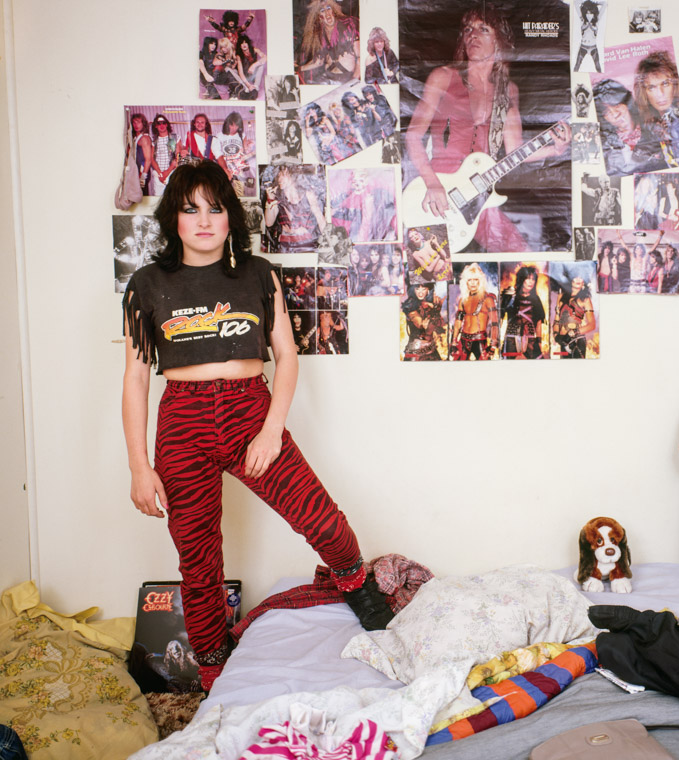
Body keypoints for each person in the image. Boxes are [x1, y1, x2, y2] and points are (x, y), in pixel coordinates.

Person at [121, 161, 393, 691]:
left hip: (250, 409)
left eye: (216, 208)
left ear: (230, 218)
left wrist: (271, 430)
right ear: (173, 218)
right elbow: (134, 378)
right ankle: (215, 673)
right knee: (199, 562)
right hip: (182, 420)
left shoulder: (258, 273)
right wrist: (139, 466)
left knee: (323, 520)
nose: (204, 220)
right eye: (190, 208)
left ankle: (364, 596)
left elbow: (286, 357)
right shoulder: (147, 285)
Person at [404, 2, 570, 253]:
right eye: (468, 29)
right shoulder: (443, 76)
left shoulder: (508, 90)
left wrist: (555, 151)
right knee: (429, 273)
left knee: (519, 255)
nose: (472, 34)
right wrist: (432, 183)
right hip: (438, 189)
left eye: (484, 29)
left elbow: (515, 151)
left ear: (499, 41)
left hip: (479, 192)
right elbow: (413, 136)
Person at [591, 79, 666, 175]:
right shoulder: (604, 145)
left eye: (616, 105)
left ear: (626, 102)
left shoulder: (657, 129)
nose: (615, 114)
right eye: (606, 112)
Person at [633, 50, 679, 166]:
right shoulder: (650, 125)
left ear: (675, 85)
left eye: (665, 84)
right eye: (652, 87)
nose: (660, 93)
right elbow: (637, 159)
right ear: (644, 93)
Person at [297, 0, 360, 85]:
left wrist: (354, 81)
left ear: (334, 10)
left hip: (347, 78)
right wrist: (298, 68)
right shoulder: (320, 35)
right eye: (322, 11)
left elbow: (360, 58)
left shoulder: (348, 26)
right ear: (319, 17)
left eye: (329, 8)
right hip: (327, 77)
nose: (327, 14)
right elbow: (318, 62)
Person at [264, 165, 325, 253]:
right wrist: (270, 199)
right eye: (278, 175)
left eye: (284, 175)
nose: (280, 179)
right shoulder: (278, 196)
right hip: (285, 248)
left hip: (307, 247)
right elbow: (269, 223)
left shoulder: (307, 195)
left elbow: (320, 219)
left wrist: (328, 240)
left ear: (293, 176)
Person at [450, 263, 498, 360]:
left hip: (480, 340)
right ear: (465, 282)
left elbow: (494, 323)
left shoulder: (488, 299)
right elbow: (458, 322)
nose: (472, 283)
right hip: (463, 340)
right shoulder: (463, 300)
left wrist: (493, 345)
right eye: (470, 280)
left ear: (480, 281)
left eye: (475, 280)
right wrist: (454, 341)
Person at [500, 265, 546, 359]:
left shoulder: (536, 299)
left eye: (533, 279)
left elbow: (538, 322)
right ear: (522, 279)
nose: (531, 282)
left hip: (530, 339)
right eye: (528, 278)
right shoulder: (510, 296)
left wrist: (539, 341)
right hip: (511, 338)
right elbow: (499, 317)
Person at [552, 275, 595, 358]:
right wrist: (556, 335)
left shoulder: (585, 300)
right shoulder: (561, 296)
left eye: (581, 276)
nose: (579, 279)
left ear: (584, 281)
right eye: (576, 276)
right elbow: (557, 319)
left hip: (577, 341)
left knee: (578, 369)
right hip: (562, 341)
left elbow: (592, 325)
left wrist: (573, 333)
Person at [402, 282, 444, 360]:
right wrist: (435, 311)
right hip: (415, 351)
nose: (420, 293)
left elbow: (437, 326)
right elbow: (422, 326)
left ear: (428, 289)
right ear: (412, 289)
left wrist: (436, 309)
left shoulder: (430, 303)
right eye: (417, 289)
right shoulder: (410, 305)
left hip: (431, 349)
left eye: (423, 289)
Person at [217, 112, 254, 197]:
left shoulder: (242, 135)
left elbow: (244, 151)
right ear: (227, 124)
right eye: (232, 125)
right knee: (223, 194)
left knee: (239, 193)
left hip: (238, 169)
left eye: (237, 126)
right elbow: (217, 153)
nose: (234, 128)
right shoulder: (220, 136)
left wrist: (248, 146)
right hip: (225, 168)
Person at [148, 114, 177, 196]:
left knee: (172, 198)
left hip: (171, 173)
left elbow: (177, 157)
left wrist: (166, 173)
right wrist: (160, 174)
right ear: (155, 126)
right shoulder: (154, 141)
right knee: (158, 199)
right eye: (158, 123)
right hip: (158, 175)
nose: (161, 125)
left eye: (163, 123)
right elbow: (151, 159)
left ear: (167, 124)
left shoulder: (173, 138)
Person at [129, 113, 154, 196]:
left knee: (142, 197)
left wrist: (143, 176)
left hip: (142, 171)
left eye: (138, 122)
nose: (136, 125)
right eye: (134, 122)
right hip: (136, 171)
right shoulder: (136, 138)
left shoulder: (144, 138)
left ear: (143, 124)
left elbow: (148, 159)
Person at [574, 0, 602, 72]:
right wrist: (585, 3)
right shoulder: (582, 20)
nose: (589, 15)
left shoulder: (596, 21)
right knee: (577, 66)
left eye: (591, 13)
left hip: (593, 47)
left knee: (598, 67)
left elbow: (605, 4)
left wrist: (595, 3)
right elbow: (576, 3)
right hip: (583, 46)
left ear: (594, 13)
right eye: (587, 13)